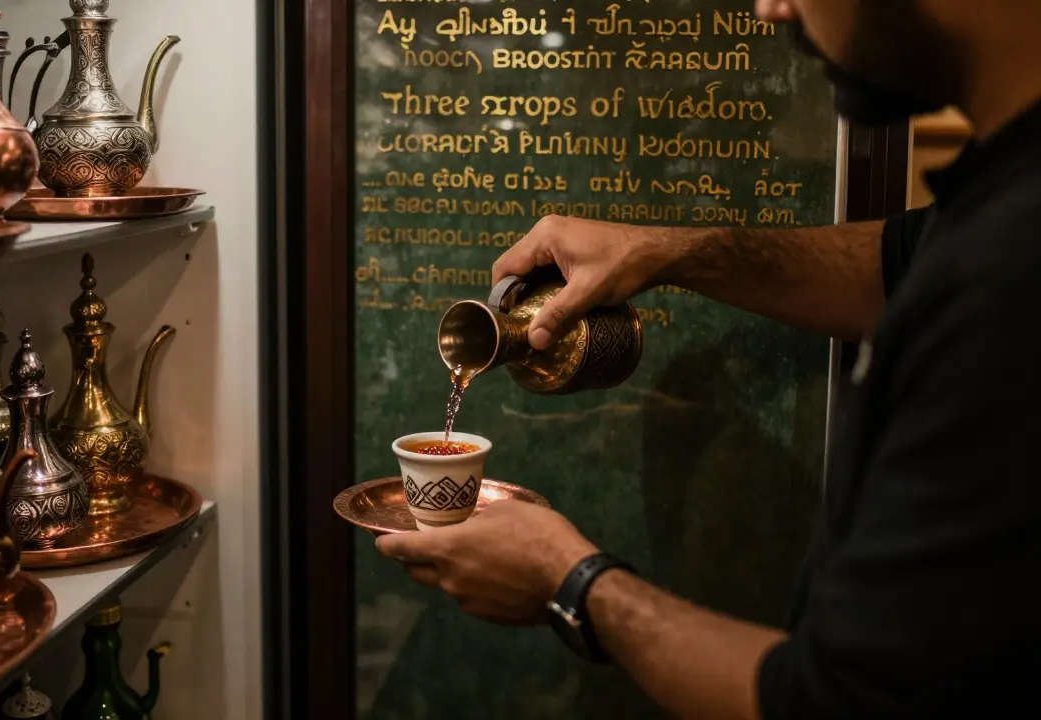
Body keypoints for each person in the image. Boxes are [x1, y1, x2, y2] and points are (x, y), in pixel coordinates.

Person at [375, 0, 1041, 717]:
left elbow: (835, 700)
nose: (770, 7)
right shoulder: (1001, 195)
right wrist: (666, 250)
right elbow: (898, 261)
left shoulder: (1012, 278)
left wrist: (569, 582)